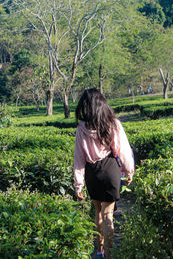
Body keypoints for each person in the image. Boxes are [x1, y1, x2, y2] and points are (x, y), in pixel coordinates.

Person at [74, 88, 135, 259]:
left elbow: (78, 159)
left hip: (91, 173)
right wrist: (129, 171)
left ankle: (99, 251)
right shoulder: (113, 124)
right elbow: (123, 150)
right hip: (110, 170)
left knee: (97, 212)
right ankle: (110, 254)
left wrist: (78, 184)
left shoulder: (81, 129)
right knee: (109, 214)